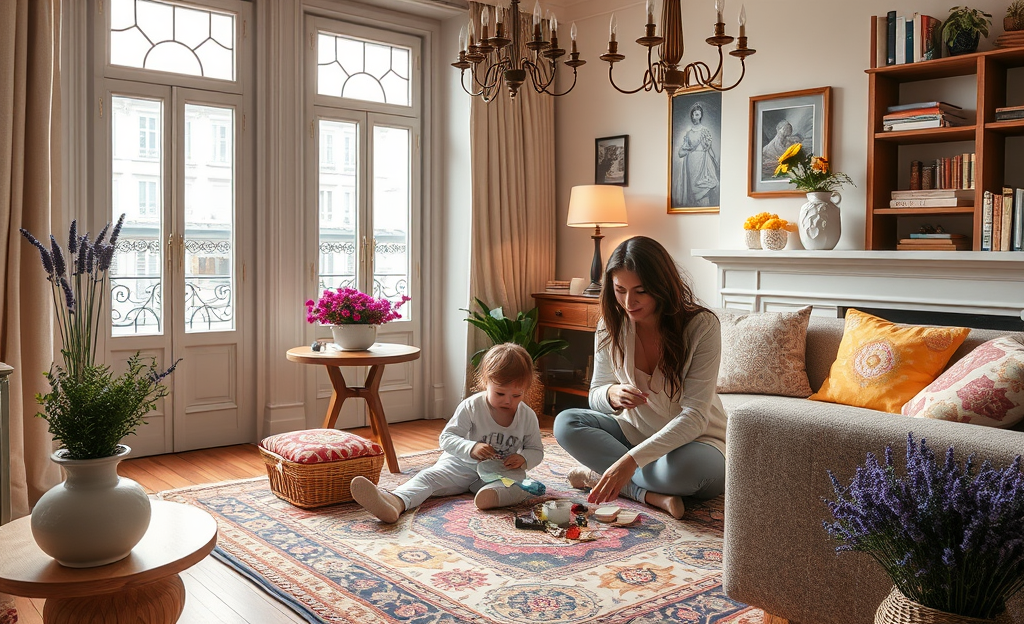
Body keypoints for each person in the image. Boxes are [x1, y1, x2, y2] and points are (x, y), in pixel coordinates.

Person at [553, 236, 726, 519]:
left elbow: (695, 417)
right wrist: (611, 394)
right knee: (565, 423)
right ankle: (645, 494)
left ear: (662, 287)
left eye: (641, 291)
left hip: (698, 442)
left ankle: (604, 475)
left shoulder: (702, 326)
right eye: (620, 290)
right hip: (634, 434)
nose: (628, 302)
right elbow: (595, 392)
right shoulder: (610, 325)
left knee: (686, 473)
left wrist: (629, 462)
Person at [351, 342, 545, 523]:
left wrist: (524, 459)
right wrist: (471, 447)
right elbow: (447, 438)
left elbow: (536, 450)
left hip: (500, 473)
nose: (508, 401)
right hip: (461, 465)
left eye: (517, 395)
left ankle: (491, 496)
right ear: (486, 383)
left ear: (526, 389)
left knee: (521, 486)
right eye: (500, 394)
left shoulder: (526, 416)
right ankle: (395, 502)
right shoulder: (472, 406)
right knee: (429, 477)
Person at [675, 102, 720, 207]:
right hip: (691, 162)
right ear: (691, 115)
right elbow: (682, 151)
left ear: (700, 116)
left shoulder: (705, 131)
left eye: (697, 115)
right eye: (694, 114)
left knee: (705, 185)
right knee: (693, 188)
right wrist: (687, 150)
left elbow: (709, 149)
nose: (695, 117)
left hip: (703, 161)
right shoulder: (689, 133)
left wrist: (715, 160)